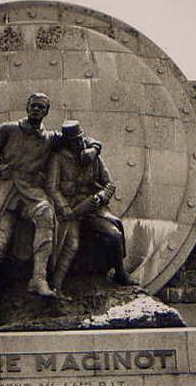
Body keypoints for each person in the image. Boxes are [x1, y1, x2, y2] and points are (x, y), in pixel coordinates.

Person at [0, 93, 100, 323]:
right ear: (27, 107)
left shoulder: (50, 137)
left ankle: (38, 278)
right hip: (5, 191)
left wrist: (94, 148)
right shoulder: (7, 129)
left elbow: (77, 138)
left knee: (45, 211)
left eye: (41, 107)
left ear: (46, 112)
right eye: (33, 105)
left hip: (30, 190)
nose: (36, 110)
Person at [46, 120, 134, 292]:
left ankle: (120, 272)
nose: (78, 143)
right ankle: (55, 286)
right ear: (67, 141)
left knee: (114, 234)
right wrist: (65, 209)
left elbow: (109, 184)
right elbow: (52, 187)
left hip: (93, 207)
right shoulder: (58, 159)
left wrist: (101, 198)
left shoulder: (93, 157)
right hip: (71, 209)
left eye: (80, 138)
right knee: (70, 245)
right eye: (74, 140)